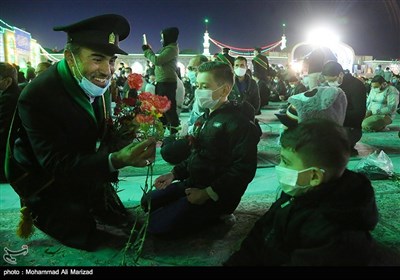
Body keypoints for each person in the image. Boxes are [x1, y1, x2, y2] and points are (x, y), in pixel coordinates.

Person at [5, 14, 157, 251]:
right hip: (47, 183)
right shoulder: (38, 96)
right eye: (97, 59)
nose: (107, 70)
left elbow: (98, 133)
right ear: (69, 57)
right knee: (87, 235)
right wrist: (115, 160)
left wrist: (127, 139)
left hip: (84, 168)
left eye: (111, 60)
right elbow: (55, 163)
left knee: (124, 222)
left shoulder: (96, 83)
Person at [224, 118, 379, 266]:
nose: (279, 167)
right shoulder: (299, 191)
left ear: (314, 176)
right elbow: (260, 233)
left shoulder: (335, 235)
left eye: (286, 162)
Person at [141, 61, 261, 236]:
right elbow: (198, 154)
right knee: (148, 202)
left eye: (204, 86)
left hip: (216, 194)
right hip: (193, 182)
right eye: (197, 85)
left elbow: (243, 170)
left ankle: (218, 215)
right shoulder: (207, 117)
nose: (198, 91)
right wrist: (173, 174)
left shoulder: (239, 123)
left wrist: (207, 193)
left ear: (225, 90)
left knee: (157, 227)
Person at [321, 61, 367, 154]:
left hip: (350, 127)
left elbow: (359, 114)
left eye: (332, 80)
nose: (330, 83)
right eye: (328, 81)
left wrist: (334, 115)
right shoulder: (328, 87)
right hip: (331, 125)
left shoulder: (356, 86)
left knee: (330, 147)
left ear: (341, 74)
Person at [142, 27, 180, 135]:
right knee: (161, 109)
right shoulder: (170, 48)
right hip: (163, 82)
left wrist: (147, 51)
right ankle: (161, 132)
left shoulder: (171, 48)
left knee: (169, 109)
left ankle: (174, 134)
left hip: (167, 83)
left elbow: (157, 61)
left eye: (162, 37)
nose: (161, 40)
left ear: (168, 37)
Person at [0, 62, 20, 183]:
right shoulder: (16, 93)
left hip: (7, 157)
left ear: (7, 81)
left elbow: (3, 130)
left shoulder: (8, 98)